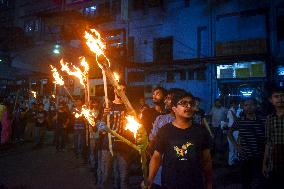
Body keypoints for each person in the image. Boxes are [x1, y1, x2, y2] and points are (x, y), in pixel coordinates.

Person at [143, 91, 212, 189]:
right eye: (183, 103)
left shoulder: (201, 131)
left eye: (191, 103)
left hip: (195, 183)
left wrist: (209, 183)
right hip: (170, 183)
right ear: (174, 108)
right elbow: (156, 157)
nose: (188, 106)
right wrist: (150, 179)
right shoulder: (165, 130)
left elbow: (207, 160)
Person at [97, 81, 134, 189]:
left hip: (124, 146)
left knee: (124, 177)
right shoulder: (108, 106)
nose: (121, 91)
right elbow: (100, 128)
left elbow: (135, 125)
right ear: (114, 90)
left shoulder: (128, 107)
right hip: (108, 145)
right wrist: (104, 115)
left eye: (123, 90)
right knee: (106, 176)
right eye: (119, 89)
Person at [147, 88, 187, 189]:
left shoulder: (188, 122)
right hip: (161, 168)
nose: (165, 101)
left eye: (168, 98)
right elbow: (152, 142)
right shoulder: (160, 120)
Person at [228, 98, 265, 189]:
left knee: (260, 180)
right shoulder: (240, 121)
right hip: (245, 156)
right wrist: (237, 146)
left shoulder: (263, 120)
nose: (249, 107)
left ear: (256, 106)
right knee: (246, 180)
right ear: (243, 107)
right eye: (246, 105)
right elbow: (230, 133)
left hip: (260, 156)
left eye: (251, 104)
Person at [262, 86, 284, 189]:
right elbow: (268, 142)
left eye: (283, 96)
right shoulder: (269, 118)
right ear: (271, 100)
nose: (280, 98)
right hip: (274, 160)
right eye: (277, 96)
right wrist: (264, 163)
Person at [227, 100, 238, 166]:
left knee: (234, 145)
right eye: (234, 104)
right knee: (232, 146)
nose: (235, 105)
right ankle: (231, 161)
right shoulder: (230, 111)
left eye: (235, 104)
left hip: (233, 129)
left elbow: (228, 120)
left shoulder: (234, 110)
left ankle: (233, 160)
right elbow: (230, 120)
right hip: (232, 129)